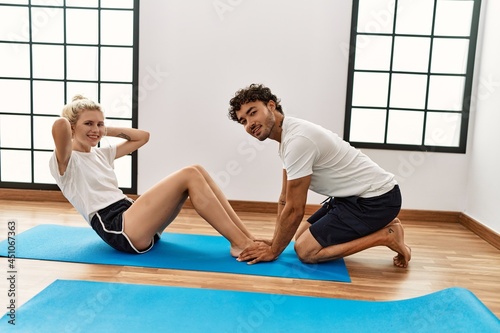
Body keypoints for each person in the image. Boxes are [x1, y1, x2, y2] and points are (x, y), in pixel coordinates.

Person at [227, 84, 411, 267]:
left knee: (306, 251)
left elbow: (295, 209)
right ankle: (380, 227)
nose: (250, 123)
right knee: (299, 237)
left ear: (271, 106)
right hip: (351, 197)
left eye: (253, 113)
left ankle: (386, 235)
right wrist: (275, 240)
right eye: (243, 121)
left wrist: (274, 251)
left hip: (377, 200)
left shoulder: (297, 141)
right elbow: (285, 198)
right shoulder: (288, 138)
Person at [50, 95, 254, 256]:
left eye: (99, 123)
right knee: (189, 174)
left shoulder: (100, 154)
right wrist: (78, 123)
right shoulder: (66, 161)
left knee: (197, 169)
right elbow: (60, 124)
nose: (96, 129)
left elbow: (142, 137)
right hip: (118, 229)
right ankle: (241, 244)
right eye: (89, 124)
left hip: (135, 218)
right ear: (72, 126)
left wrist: (103, 130)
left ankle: (247, 237)